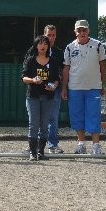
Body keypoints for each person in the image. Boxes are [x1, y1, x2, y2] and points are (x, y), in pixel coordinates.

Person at [61, 19, 106, 155]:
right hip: (74, 87)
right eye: (79, 30)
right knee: (77, 116)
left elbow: (103, 66)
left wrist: (103, 84)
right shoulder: (70, 47)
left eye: (84, 30)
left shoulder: (98, 45)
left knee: (94, 116)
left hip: (93, 87)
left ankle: (96, 145)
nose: (82, 32)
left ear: (88, 31)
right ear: (75, 32)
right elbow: (66, 68)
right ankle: (81, 144)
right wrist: (64, 87)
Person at [24, 25, 65, 154]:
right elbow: (26, 71)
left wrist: (57, 85)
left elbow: (62, 71)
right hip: (35, 91)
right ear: (44, 35)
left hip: (53, 90)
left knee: (52, 118)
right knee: (34, 120)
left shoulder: (59, 52)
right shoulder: (32, 52)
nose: (51, 38)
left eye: (53, 35)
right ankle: (33, 146)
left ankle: (52, 144)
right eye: (49, 35)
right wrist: (32, 80)